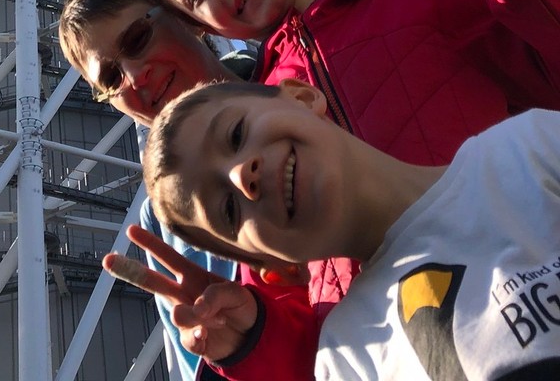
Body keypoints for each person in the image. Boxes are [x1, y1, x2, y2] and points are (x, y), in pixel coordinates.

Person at [102, 0, 560, 379]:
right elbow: (304, 326)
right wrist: (253, 337)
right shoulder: (252, 122)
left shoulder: (408, 1)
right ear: (201, 26)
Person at [142, 78, 560, 380]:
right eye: (229, 211)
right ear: (270, 264)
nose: (240, 177)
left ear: (303, 96)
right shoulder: (347, 359)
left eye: (236, 134)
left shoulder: (529, 148)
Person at [59, 0, 280, 380]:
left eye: (138, 39)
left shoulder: (300, 73)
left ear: (184, 17)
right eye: (111, 78)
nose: (134, 76)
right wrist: (240, 346)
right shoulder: (162, 223)